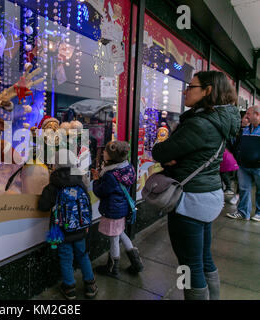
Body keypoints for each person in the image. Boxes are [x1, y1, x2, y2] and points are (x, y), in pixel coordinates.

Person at [151, 71, 240, 300]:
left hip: (190, 201)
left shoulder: (200, 123)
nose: (185, 91)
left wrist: (168, 152)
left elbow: (160, 151)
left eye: (191, 86)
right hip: (208, 195)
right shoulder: (218, 120)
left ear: (207, 91)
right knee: (203, 258)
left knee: (188, 265)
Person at [38, 150, 98, 300]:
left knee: (66, 258)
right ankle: (90, 285)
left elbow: (43, 206)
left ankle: (69, 288)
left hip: (62, 231)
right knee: (83, 256)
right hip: (80, 229)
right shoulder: (81, 180)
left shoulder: (53, 184)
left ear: (56, 163)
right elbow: (87, 204)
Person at [91, 141, 143, 278]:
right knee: (120, 233)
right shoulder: (127, 168)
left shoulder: (110, 175)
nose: (103, 152)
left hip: (112, 209)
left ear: (111, 156)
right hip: (122, 207)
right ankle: (136, 262)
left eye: (106, 152)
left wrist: (96, 180)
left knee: (114, 238)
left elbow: (100, 192)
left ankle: (113, 268)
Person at [226, 105, 260, 222]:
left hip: (258, 167)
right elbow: (238, 145)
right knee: (244, 190)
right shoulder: (246, 129)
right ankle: (243, 212)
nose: (246, 117)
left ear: (257, 114)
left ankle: (259, 213)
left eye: (248, 114)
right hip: (244, 166)